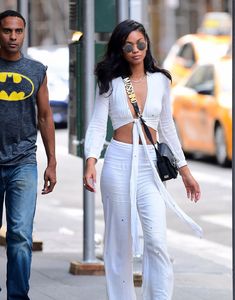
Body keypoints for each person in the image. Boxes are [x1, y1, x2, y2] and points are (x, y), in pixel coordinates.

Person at [84, 19, 202, 300]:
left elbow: (167, 127)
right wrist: (90, 161)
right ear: (120, 49)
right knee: (119, 242)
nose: (135, 50)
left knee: (157, 240)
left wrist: (185, 170)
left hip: (150, 165)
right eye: (128, 45)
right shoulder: (110, 81)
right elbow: (99, 124)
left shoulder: (161, 80)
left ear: (147, 44)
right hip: (118, 161)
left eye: (140, 44)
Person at [0, 10, 56, 299]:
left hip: (23, 161)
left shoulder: (36, 70)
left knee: (20, 235)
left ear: (24, 33)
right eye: (7, 31)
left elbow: (45, 117)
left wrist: (52, 163)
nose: (13, 37)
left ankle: (17, 296)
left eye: (18, 31)